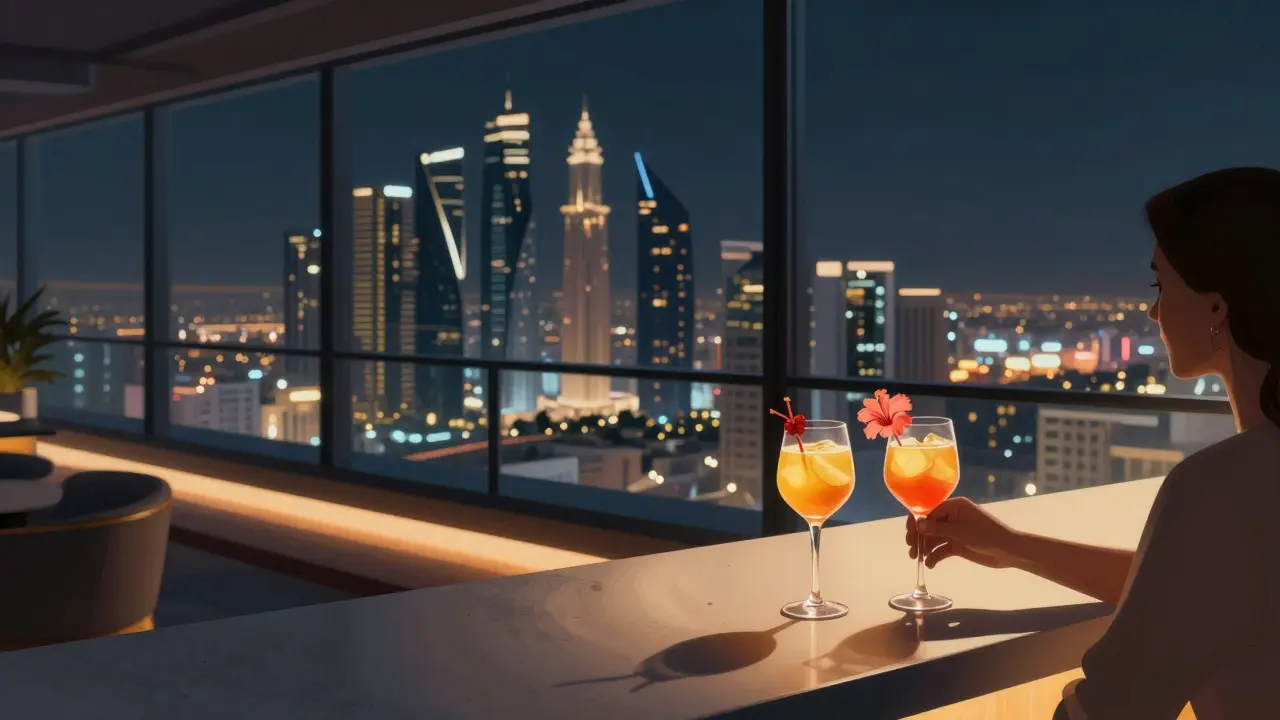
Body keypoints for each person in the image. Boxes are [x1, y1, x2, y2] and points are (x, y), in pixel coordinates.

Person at [907, 167, 1280, 719]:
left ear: (1216, 306)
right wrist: (1014, 547)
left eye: (1160, 285)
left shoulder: (1217, 488)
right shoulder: (1247, 487)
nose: (1152, 311)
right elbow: (1197, 584)